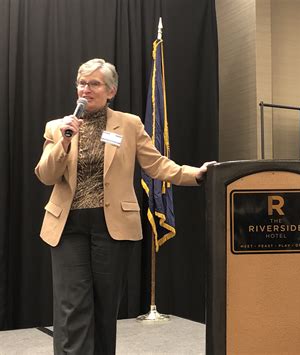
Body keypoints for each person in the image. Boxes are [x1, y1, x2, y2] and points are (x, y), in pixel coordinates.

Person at [35, 58, 214, 354]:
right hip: (67, 226)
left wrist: (195, 174)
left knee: (105, 307)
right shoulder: (57, 127)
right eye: (82, 83)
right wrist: (63, 142)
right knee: (72, 306)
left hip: (112, 225)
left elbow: (156, 165)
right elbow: (45, 175)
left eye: (94, 84)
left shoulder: (129, 124)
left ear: (111, 90)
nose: (86, 89)